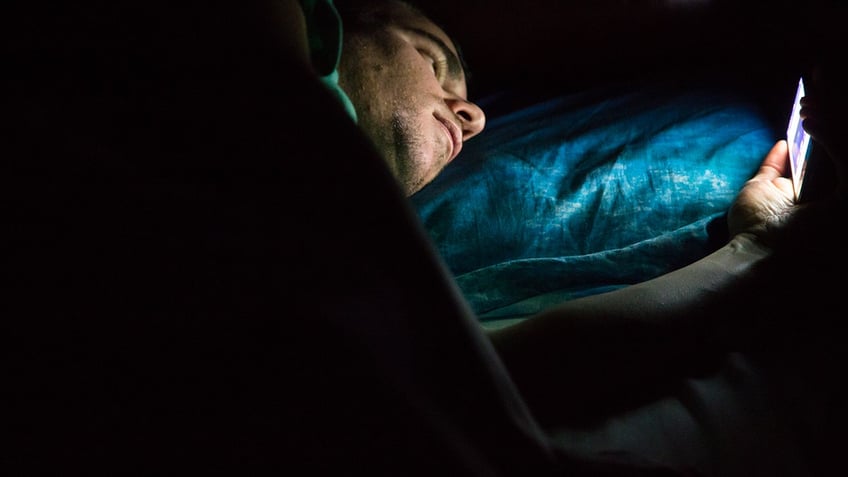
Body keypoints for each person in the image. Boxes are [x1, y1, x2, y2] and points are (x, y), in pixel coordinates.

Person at [6, 0, 845, 475]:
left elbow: (488, 373)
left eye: (472, 101)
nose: (472, 114)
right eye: (434, 58)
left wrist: (753, 248)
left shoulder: (339, 249)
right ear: (338, 29)